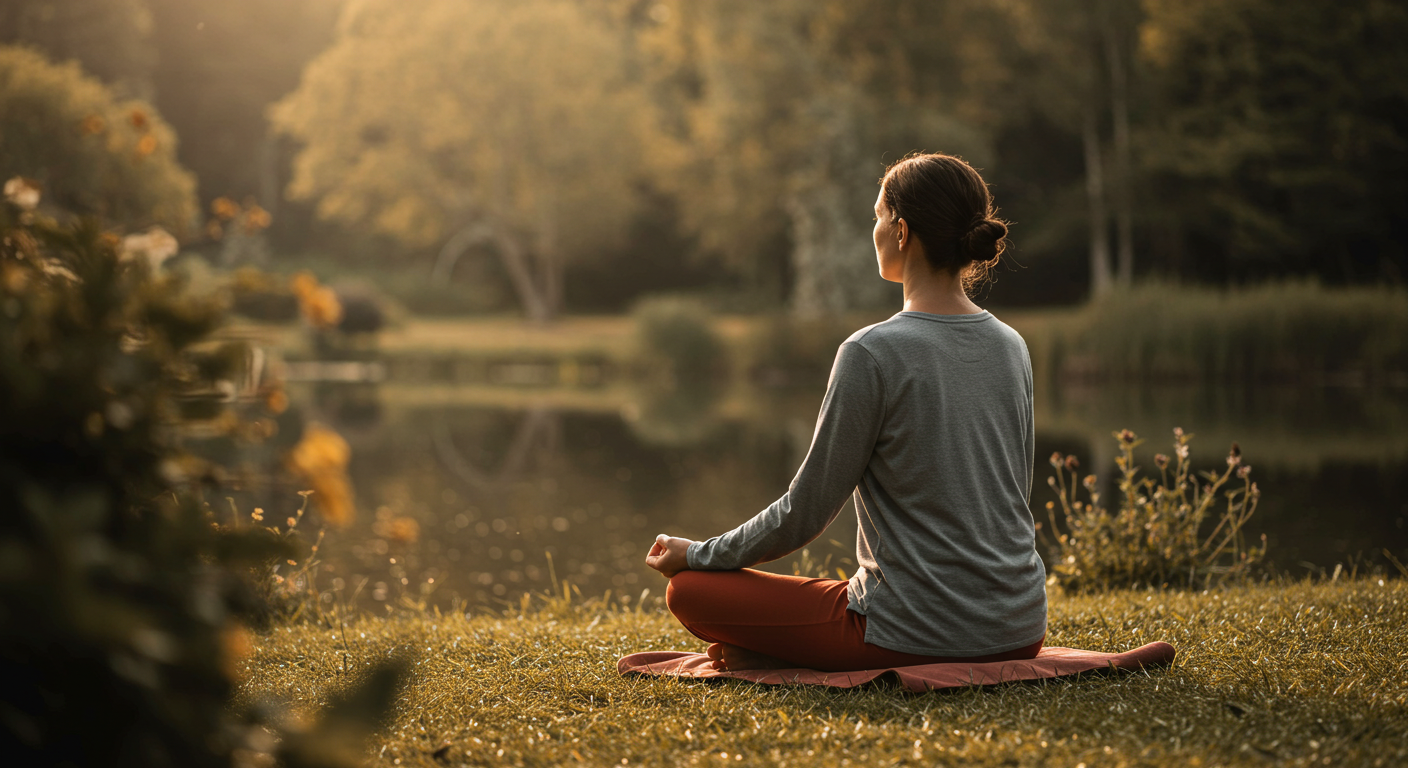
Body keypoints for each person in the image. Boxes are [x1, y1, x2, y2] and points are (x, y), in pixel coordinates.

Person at [644, 153, 1047, 673]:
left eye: (878, 217)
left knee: (690, 591)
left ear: (901, 231)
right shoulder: (1011, 345)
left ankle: (773, 646)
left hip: (910, 633)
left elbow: (804, 512)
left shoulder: (872, 352)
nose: (874, 230)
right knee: (821, 593)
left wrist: (698, 553)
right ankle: (776, 646)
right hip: (1019, 628)